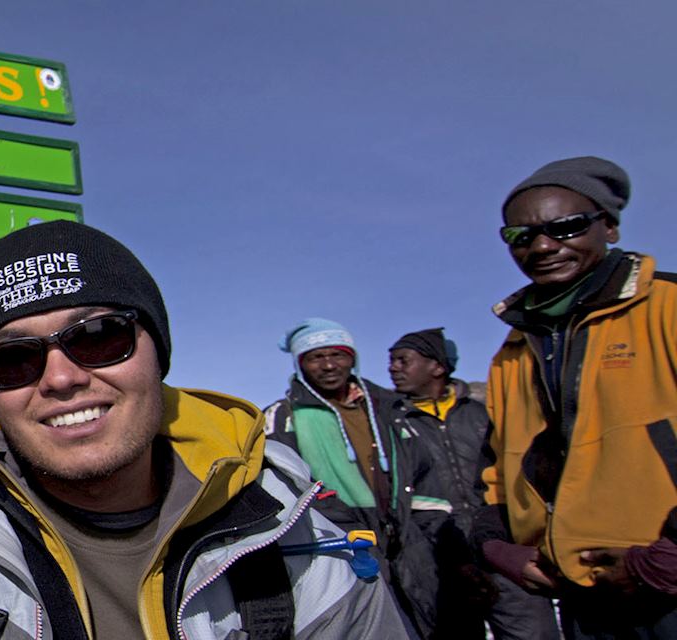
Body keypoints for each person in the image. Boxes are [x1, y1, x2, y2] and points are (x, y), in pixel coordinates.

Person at [0, 221, 411, 639]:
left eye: (99, 336)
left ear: (158, 354)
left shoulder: (293, 537)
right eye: (13, 359)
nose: (60, 378)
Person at [478, 155, 677, 638]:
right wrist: (496, 547)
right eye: (520, 237)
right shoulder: (515, 346)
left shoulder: (668, 307)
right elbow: (496, 467)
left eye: (565, 227)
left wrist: (667, 559)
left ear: (608, 226)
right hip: (583, 593)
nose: (543, 246)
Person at [264, 317, 445, 635]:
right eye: (316, 357)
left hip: (409, 540)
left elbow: (423, 471)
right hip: (344, 542)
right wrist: (341, 526)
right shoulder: (284, 416)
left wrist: (427, 531)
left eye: (337, 355)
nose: (329, 365)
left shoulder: (389, 410)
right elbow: (286, 480)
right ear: (301, 364)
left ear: (352, 358)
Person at [389, 328, 560, 639]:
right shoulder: (393, 424)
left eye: (403, 360)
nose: (393, 368)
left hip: (505, 554)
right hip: (439, 563)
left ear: (437, 366)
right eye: (392, 362)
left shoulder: (483, 414)